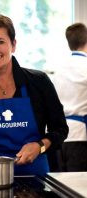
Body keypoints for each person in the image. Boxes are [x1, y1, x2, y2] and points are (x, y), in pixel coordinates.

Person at [0, 13, 68, 176]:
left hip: (34, 175)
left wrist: (39, 146)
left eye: (0, 42)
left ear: (13, 44)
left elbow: (60, 129)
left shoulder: (38, 82)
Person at [53, 22, 87, 171]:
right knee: (79, 189)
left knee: (61, 188)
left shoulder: (58, 69)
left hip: (59, 137)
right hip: (80, 137)